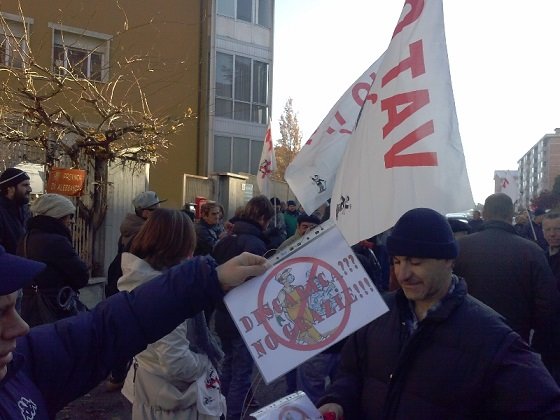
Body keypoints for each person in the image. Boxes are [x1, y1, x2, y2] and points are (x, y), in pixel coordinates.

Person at [317, 208, 560, 419]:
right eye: (398, 261)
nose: (403, 274)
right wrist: (336, 401)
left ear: (448, 261)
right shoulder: (376, 314)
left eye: (416, 262)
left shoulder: (492, 338)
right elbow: (349, 374)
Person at [0, 245, 269, 418]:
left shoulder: (22, 365)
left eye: (15, 307)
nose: (20, 327)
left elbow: (110, 327)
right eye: (0, 313)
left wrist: (211, 279)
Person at [118, 209, 225, 419]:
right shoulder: (166, 294)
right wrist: (206, 362)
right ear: (179, 246)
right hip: (170, 401)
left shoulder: (139, 277)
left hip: (146, 388)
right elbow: (176, 363)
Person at [454, 193, 560, 381]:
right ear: (510, 214)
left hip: (468, 340)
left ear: (484, 214)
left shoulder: (460, 248)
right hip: (514, 342)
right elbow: (548, 306)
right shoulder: (531, 251)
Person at [212, 195, 274, 420]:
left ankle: (220, 411)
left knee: (228, 365)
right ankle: (232, 415)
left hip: (221, 313)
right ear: (262, 217)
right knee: (241, 373)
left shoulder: (224, 238)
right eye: (267, 219)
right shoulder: (256, 244)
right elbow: (260, 287)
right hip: (244, 317)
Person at [105, 190, 166, 391]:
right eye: (156, 208)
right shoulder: (143, 233)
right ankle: (123, 376)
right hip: (132, 287)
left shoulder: (130, 227)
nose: (160, 211)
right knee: (132, 335)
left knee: (124, 332)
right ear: (146, 213)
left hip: (121, 284)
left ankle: (118, 374)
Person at [17, 193, 89, 327]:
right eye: (69, 216)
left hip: (30, 308)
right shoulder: (56, 241)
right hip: (56, 308)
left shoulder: (26, 239)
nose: (72, 221)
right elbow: (82, 277)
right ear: (58, 216)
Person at [0, 168, 32, 312]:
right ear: (10, 188)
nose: (30, 189)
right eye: (25, 185)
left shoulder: (23, 210)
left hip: (17, 279)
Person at [543, 211, 560, 285]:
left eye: (557, 229)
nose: (552, 234)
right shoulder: (540, 257)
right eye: (548, 229)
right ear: (543, 233)